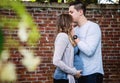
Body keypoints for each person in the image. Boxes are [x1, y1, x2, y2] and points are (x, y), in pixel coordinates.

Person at [69, 1, 104, 83]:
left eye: (71, 12)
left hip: (92, 74)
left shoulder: (93, 27)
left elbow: (89, 51)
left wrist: (74, 36)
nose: (69, 14)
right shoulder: (75, 30)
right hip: (79, 73)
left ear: (80, 12)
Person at [53, 14, 82, 83]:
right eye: (71, 22)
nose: (73, 24)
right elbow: (56, 61)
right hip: (63, 78)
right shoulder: (62, 36)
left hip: (69, 77)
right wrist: (74, 72)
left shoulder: (68, 36)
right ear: (66, 23)